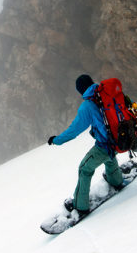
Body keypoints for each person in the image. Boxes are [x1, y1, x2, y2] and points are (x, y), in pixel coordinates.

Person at [47, 74, 124, 215]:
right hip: (120, 139)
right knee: (109, 157)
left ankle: (80, 206)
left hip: (105, 145)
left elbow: (74, 130)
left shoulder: (87, 106)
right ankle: (116, 180)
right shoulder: (106, 93)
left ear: (80, 90)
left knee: (84, 169)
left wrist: (56, 140)